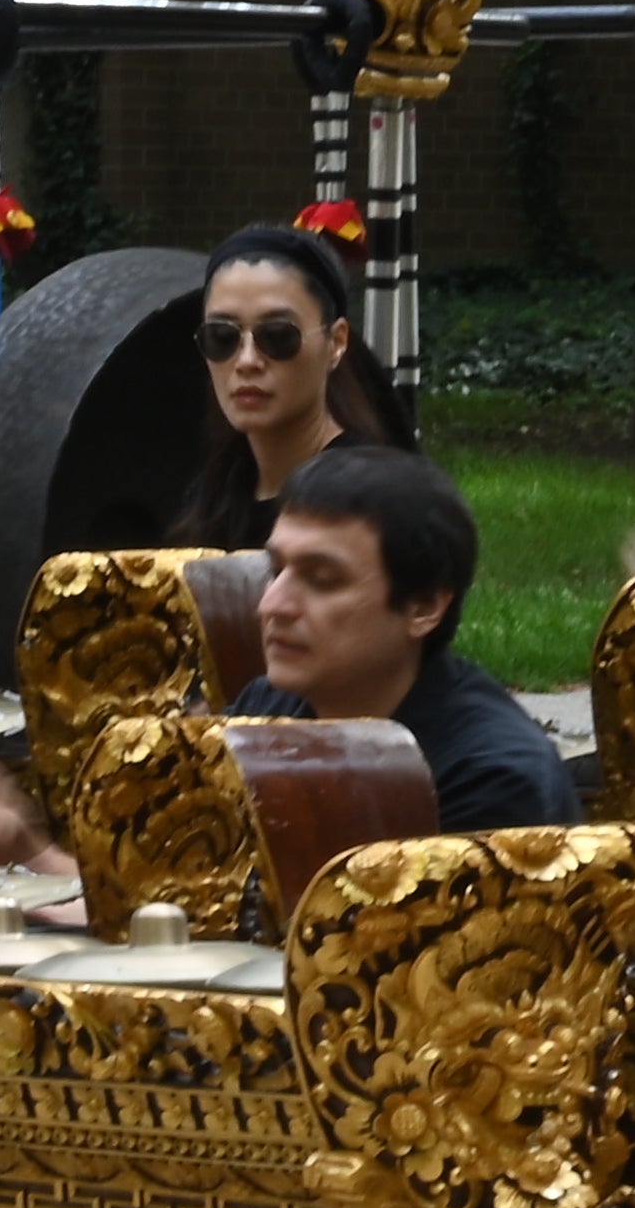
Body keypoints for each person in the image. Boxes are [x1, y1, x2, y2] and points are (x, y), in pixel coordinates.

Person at [227, 443, 575, 834]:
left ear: (423, 607)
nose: (272, 605)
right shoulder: (267, 707)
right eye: (275, 571)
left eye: (322, 579)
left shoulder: (491, 782)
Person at [166, 222, 404, 548]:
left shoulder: (372, 500)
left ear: (335, 342)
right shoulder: (212, 496)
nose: (247, 360)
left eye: (278, 336)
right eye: (222, 337)